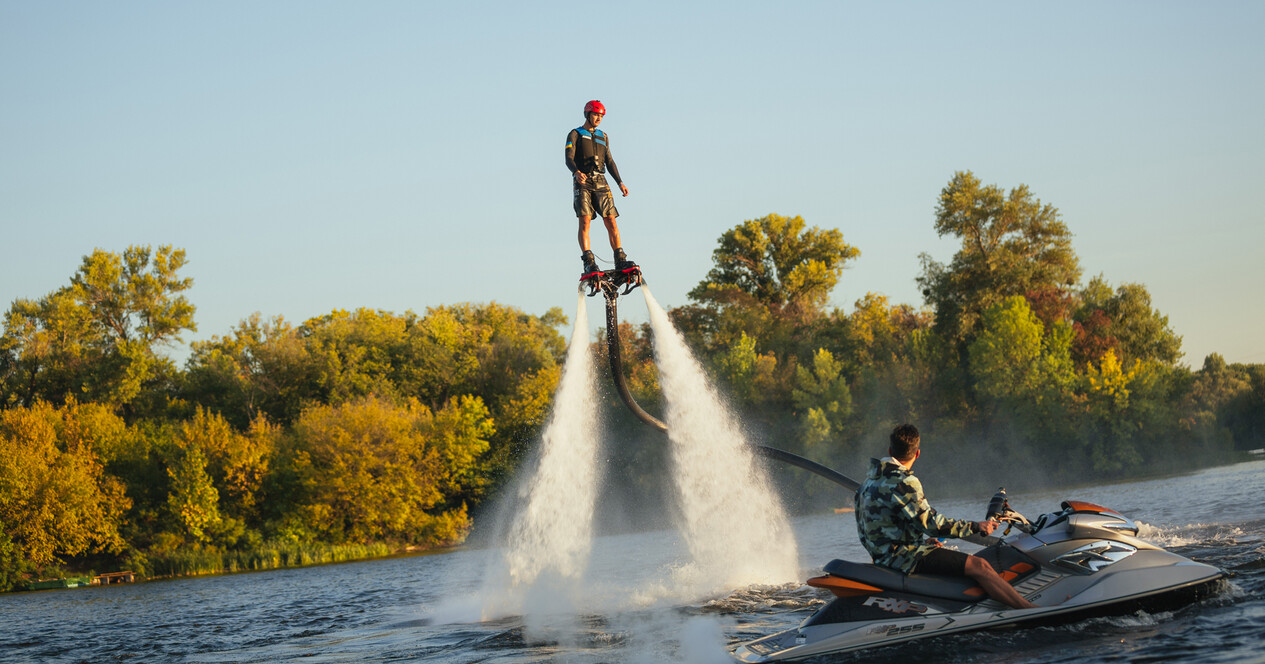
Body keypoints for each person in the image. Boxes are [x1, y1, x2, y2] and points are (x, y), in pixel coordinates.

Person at [854, 424, 1038, 610]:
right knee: (979, 565)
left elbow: (869, 531)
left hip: (883, 559)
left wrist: (922, 542)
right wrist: (977, 527)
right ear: (917, 453)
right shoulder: (904, 481)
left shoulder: (866, 484)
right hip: (905, 560)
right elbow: (934, 525)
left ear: (889, 450)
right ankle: (1030, 610)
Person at [565, 99, 635, 277]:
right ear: (587, 114)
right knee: (585, 220)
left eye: (601, 116)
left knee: (611, 219)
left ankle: (620, 258)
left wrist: (620, 182)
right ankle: (589, 262)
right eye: (595, 115)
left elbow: (610, 161)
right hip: (583, 181)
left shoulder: (603, 136)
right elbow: (568, 158)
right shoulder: (575, 134)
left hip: (601, 181)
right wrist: (576, 172)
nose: (598, 118)